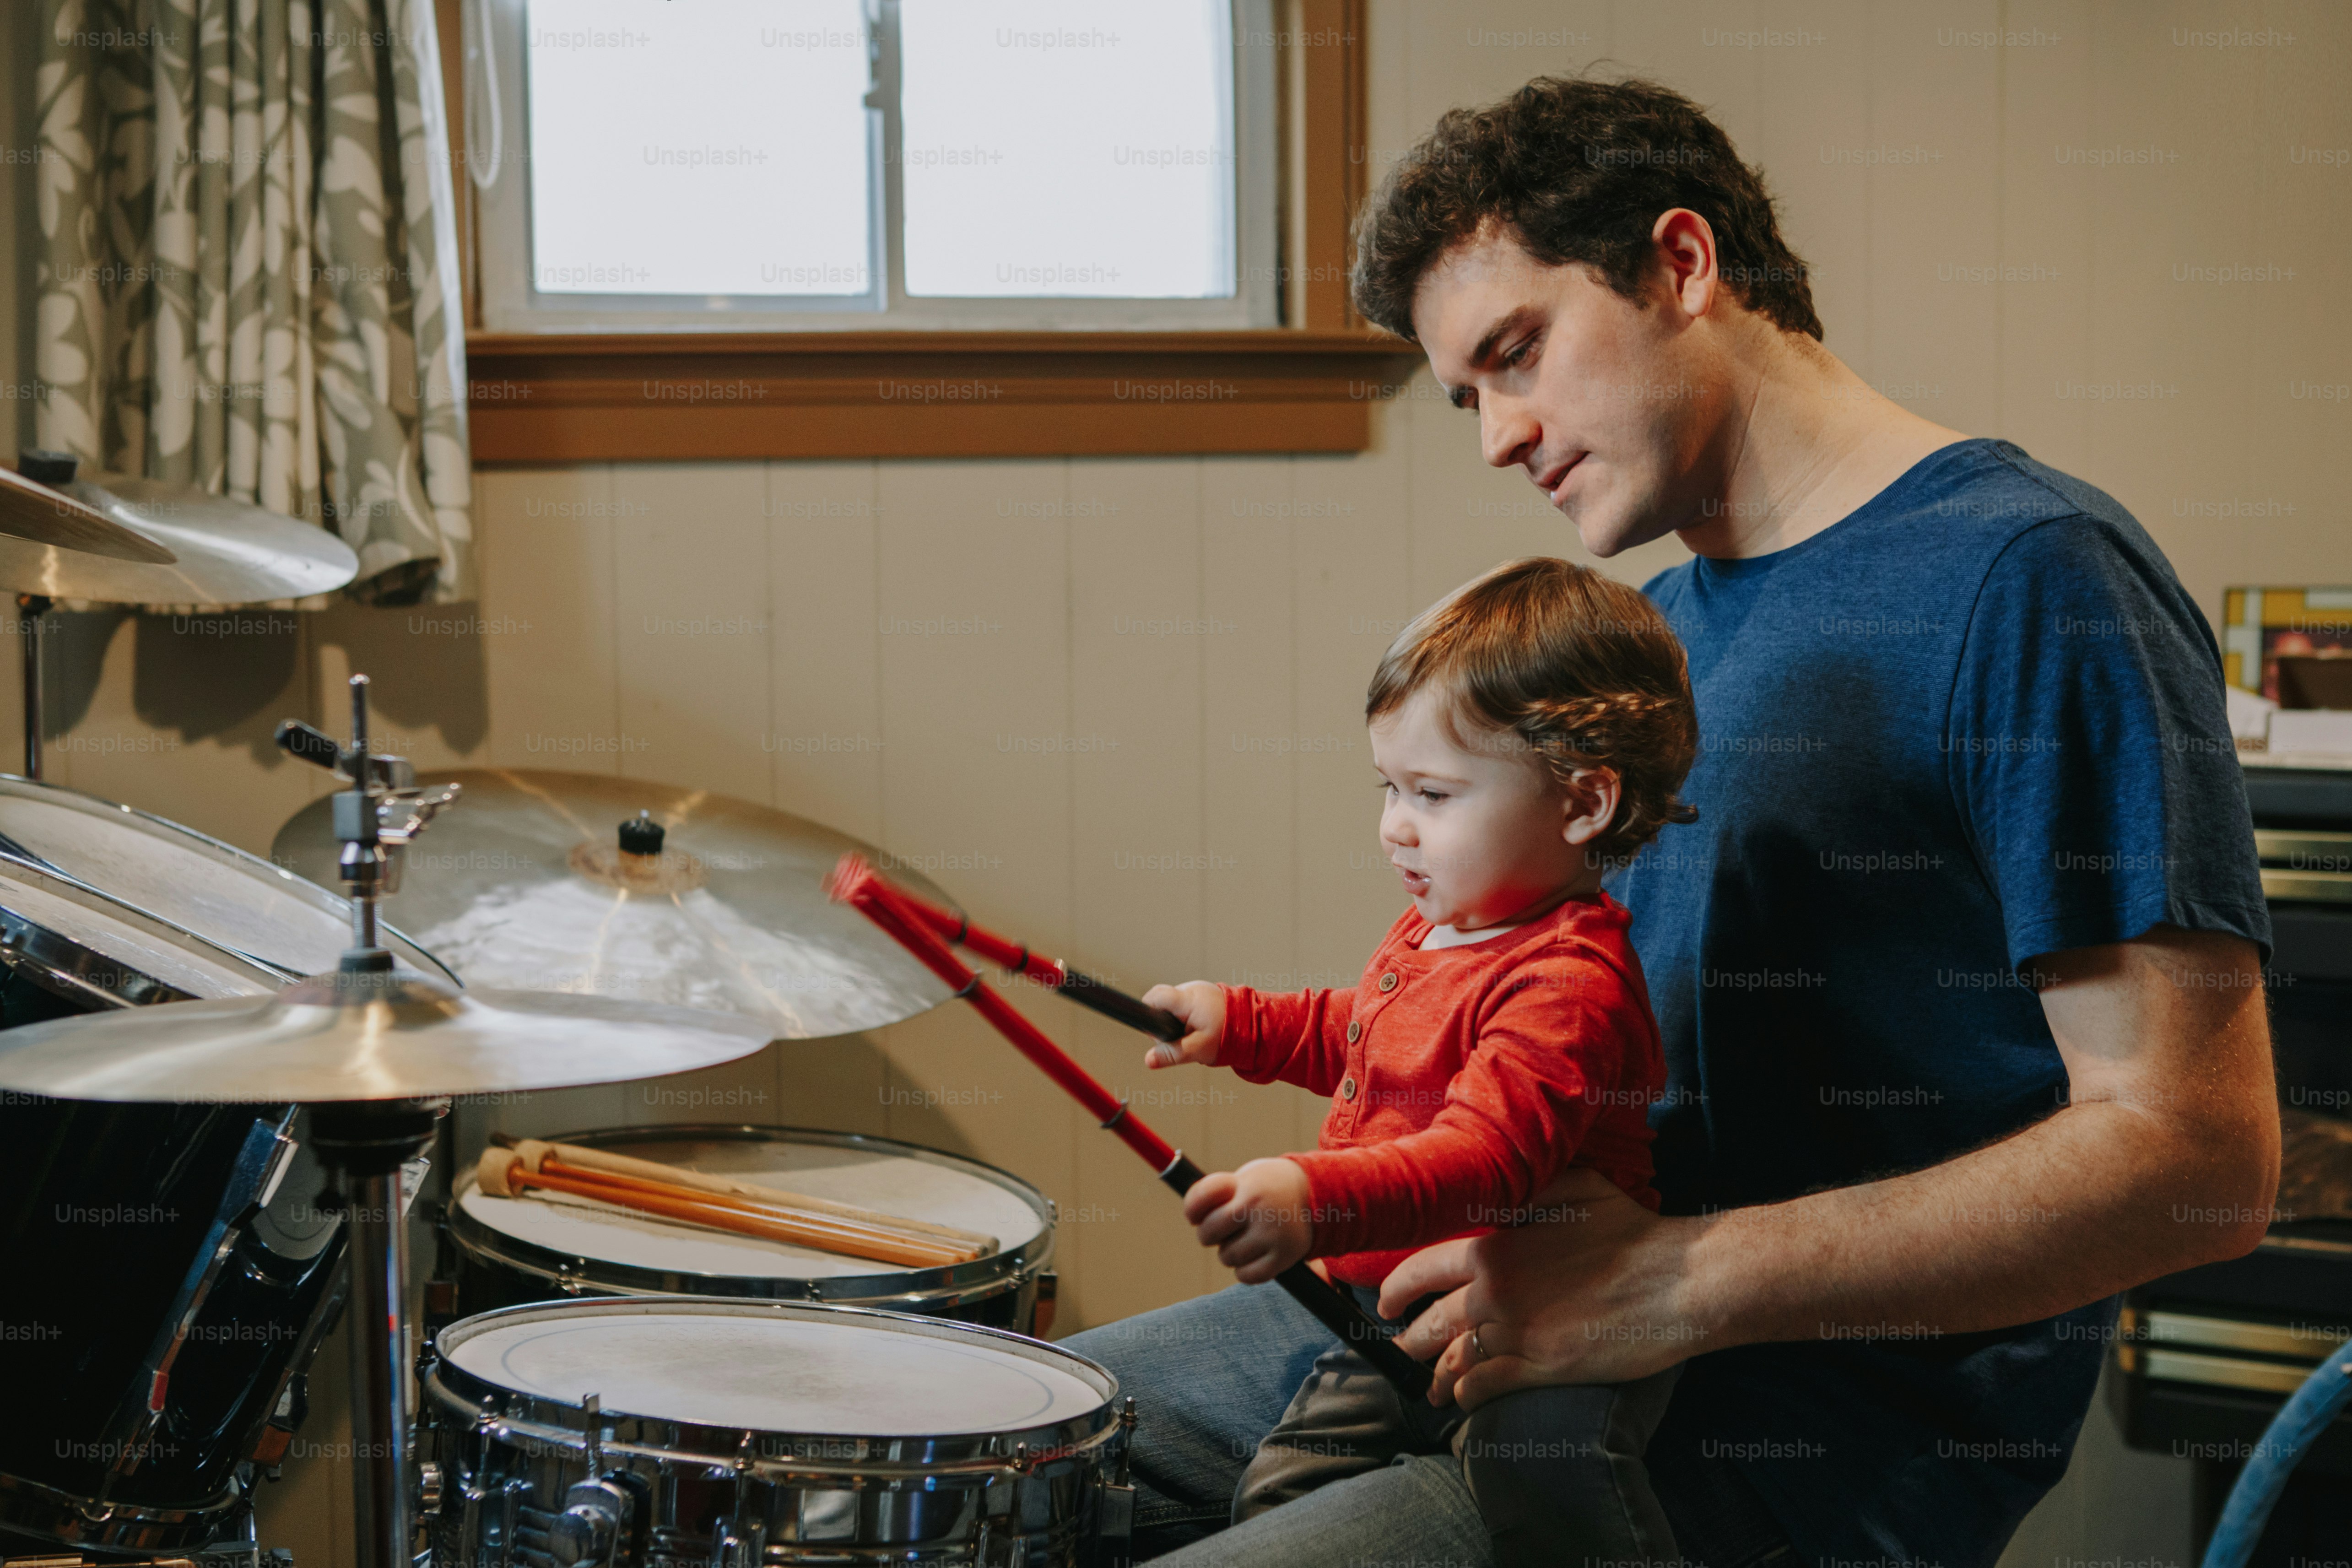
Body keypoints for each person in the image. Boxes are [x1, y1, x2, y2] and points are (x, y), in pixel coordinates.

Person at [1063, 74, 2276, 1568]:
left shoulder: (2035, 578)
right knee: (982, 1442)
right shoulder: (1648, 635)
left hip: (1770, 1443)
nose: (1499, 435)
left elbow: (2201, 1156)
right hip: (1504, 1307)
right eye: (1465, 397)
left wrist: (1673, 1281)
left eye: (1518, 356)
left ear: (1683, 264)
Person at [1139, 557, 1695, 1564]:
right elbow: (1371, 1038)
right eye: (1388, 787)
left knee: (1550, 1489)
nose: (1395, 825)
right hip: (1393, 1308)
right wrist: (1241, 1025)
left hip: (1547, 1320)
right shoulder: (1449, 926)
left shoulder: (1567, 979)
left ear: (1582, 804)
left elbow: (1484, 1160)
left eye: (1433, 793)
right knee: (1286, 1490)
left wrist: (1313, 1195)